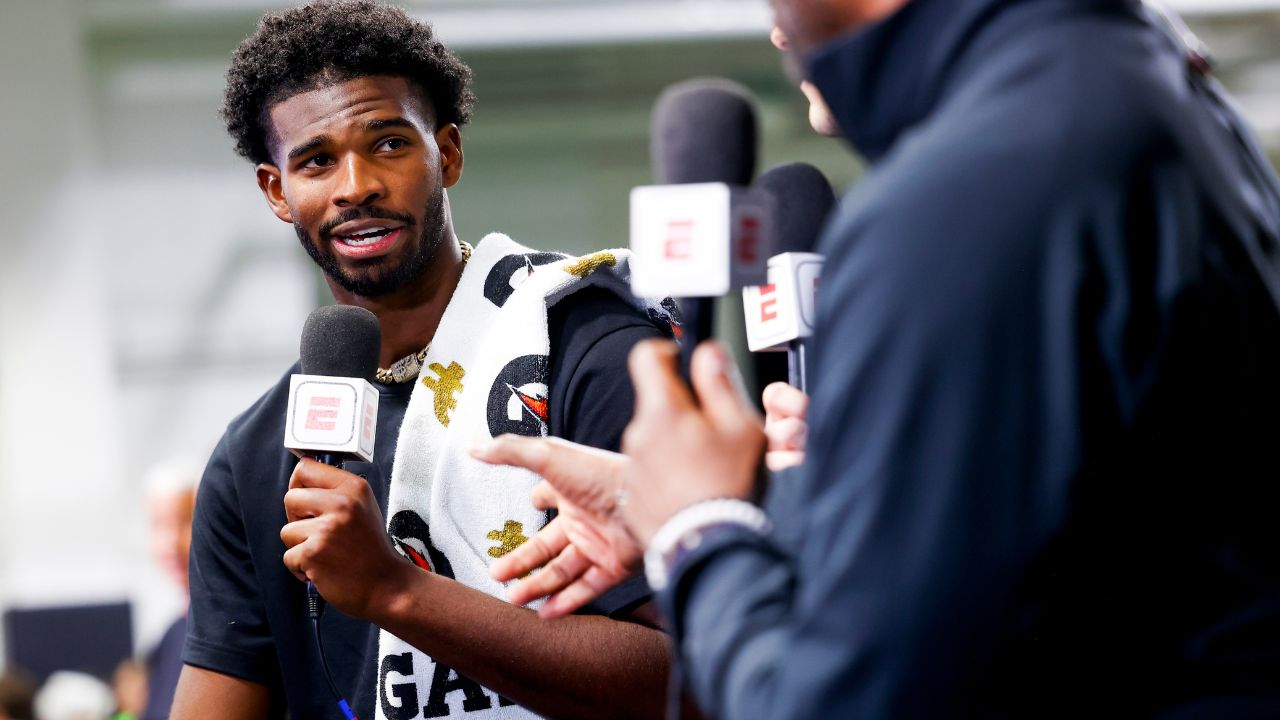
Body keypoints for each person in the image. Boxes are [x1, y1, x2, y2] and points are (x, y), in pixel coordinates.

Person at [477, 0, 1280, 716]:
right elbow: (1078, 526)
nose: (773, 20)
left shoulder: (963, 201)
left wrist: (697, 533)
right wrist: (751, 501)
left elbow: (835, 698)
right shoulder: (1135, 87)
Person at [171, 2, 671, 718]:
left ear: (449, 154)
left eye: (389, 145)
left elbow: (694, 681)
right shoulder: (256, 453)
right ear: (277, 191)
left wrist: (395, 591)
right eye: (317, 160)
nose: (356, 186)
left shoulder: (590, 349)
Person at [139, 462, 200, 720]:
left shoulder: (229, 624)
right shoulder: (171, 634)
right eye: (158, 525)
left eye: (184, 520)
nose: (171, 542)